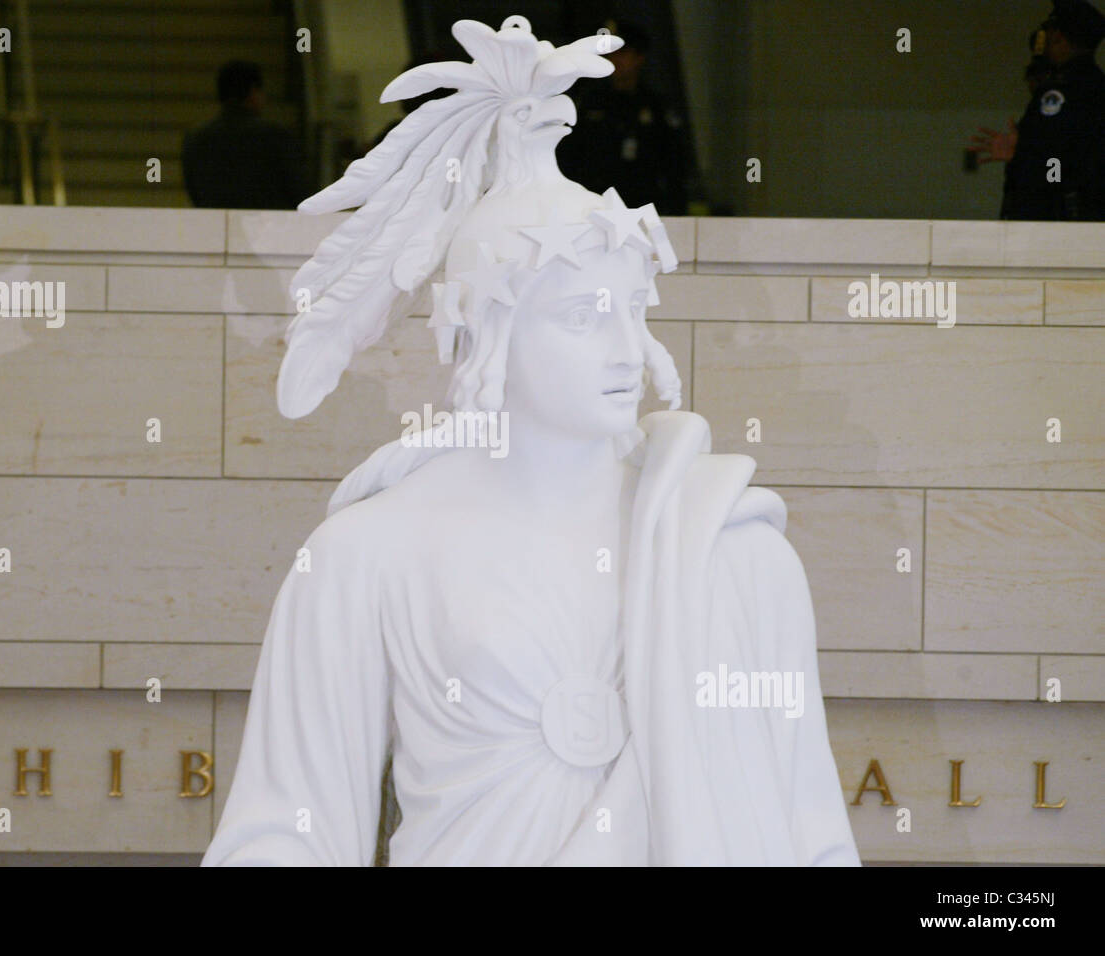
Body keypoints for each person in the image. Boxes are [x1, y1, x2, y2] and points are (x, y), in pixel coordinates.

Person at [202, 16, 859, 867]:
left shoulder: (730, 552)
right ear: (484, 334)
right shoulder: (364, 557)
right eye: (584, 316)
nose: (627, 349)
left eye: (633, 310)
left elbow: (812, 836)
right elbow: (282, 835)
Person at [969, 0, 1105, 220]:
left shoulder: (1064, 90)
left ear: (1058, 36)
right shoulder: (1094, 86)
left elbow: (1058, 164)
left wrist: (1022, 155)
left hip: (1056, 222)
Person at [555, 18, 692, 215]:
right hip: (593, 204)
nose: (616, 60)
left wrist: (675, 208)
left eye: (623, 53)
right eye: (611, 54)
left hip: (643, 205)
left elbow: (674, 164)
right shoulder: (588, 102)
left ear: (639, 57)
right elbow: (569, 155)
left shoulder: (656, 106)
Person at [182, 60, 310, 209]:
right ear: (253, 91)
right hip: (267, 225)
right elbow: (298, 189)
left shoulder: (196, 138)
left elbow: (195, 191)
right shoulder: (276, 136)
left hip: (216, 225)